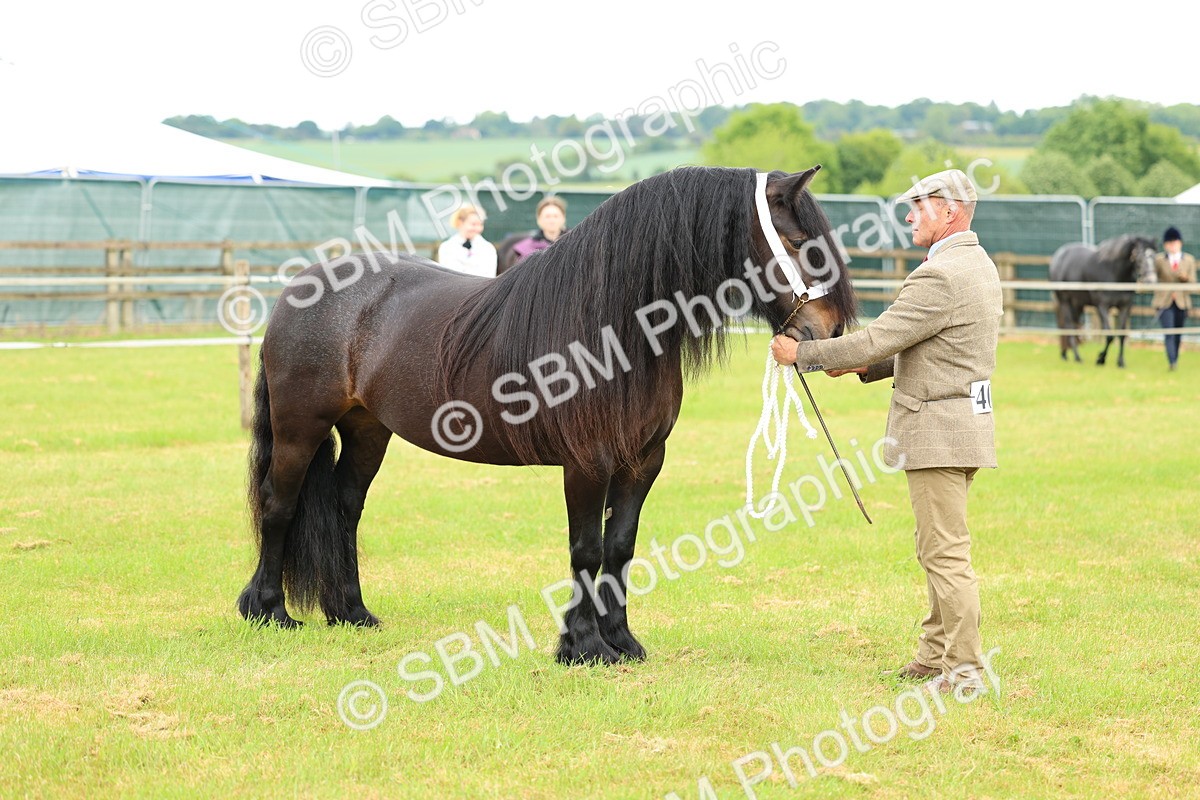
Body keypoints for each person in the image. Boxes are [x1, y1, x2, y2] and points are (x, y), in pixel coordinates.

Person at [770, 169, 1002, 695]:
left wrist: (804, 353)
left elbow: (880, 337)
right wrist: (860, 366)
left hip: (937, 430)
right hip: (964, 427)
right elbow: (935, 346)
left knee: (944, 554)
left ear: (949, 211)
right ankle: (933, 655)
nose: (908, 215)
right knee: (937, 548)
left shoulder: (940, 275)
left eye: (918, 205)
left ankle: (964, 671)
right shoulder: (978, 265)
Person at [1152, 226, 1195, 371]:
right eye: (1169, 242)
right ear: (1165, 245)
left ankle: (1175, 358)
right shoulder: (1159, 260)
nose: (1172, 245)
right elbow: (1152, 278)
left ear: (1180, 243)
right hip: (1164, 302)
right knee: (1169, 331)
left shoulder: (1188, 260)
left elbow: (1193, 283)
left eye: (1175, 242)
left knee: (1178, 333)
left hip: (1182, 302)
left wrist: (1185, 278)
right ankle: (1172, 362)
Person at [437, 205, 498, 278]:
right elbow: (450, 275)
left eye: (480, 224)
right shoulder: (447, 247)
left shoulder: (488, 248)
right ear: (460, 223)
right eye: (473, 224)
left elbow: (489, 276)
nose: (478, 228)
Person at [509, 196, 568, 265]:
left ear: (563, 218)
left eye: (556, 216)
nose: (552, 220)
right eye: (547, 216)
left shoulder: (573, 244)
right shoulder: (525, 250)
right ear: (539, 219)